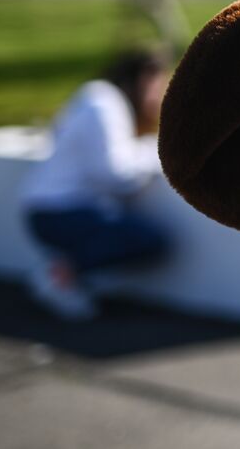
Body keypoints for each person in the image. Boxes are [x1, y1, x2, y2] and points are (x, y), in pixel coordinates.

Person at [20, 48, 173, 319]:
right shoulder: (105, 105)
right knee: (149, 239)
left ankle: (66, 275)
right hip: (62, 210)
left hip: (46, 207)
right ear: (143, 79)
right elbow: (116, 173)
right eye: (157, 85)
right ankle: (60, 275)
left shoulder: (95, 97)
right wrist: (152, 153)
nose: (158, 96)